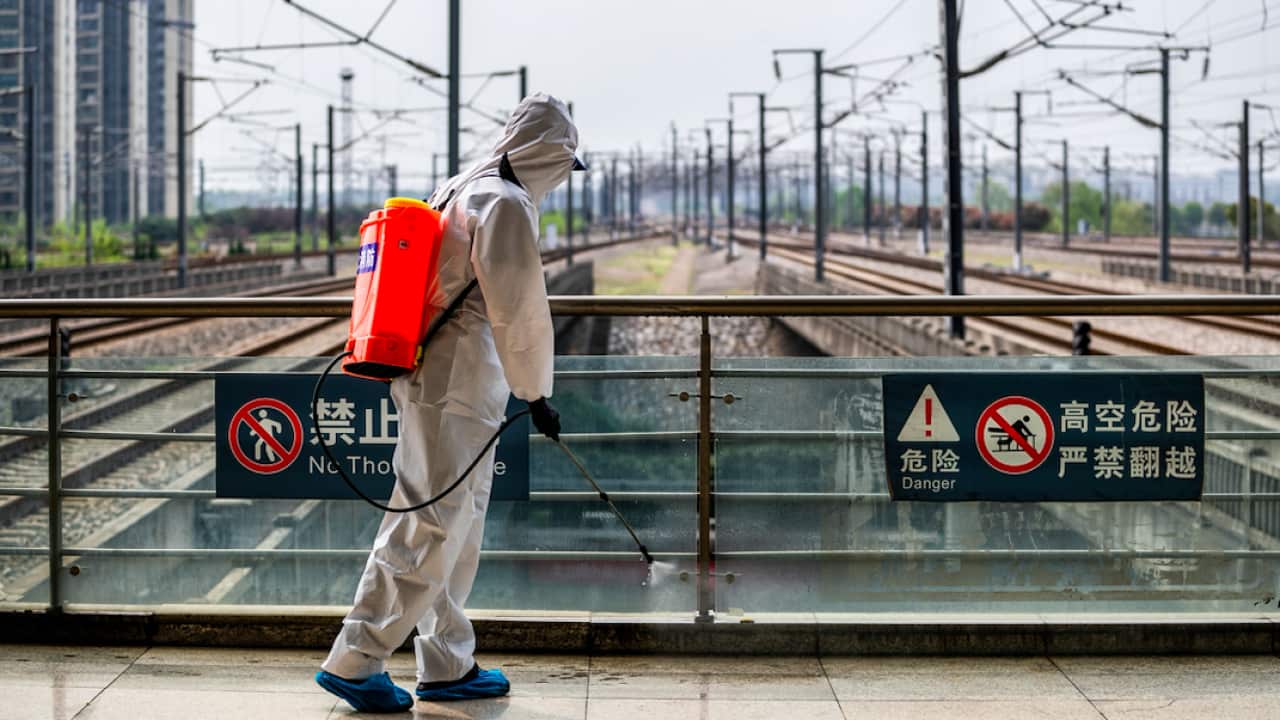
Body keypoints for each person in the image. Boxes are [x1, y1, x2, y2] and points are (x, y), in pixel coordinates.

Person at [316, 93, 583, 713]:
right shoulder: (505, 203)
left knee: (455, 526)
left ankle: (447, 661)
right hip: (458, 383)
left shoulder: (463, 184)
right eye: (565, 167)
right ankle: (355, 662)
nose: (563, 180)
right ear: (551, 156)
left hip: (437, 376)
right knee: (429, 521)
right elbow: (519, 311)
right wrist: (536, 392)